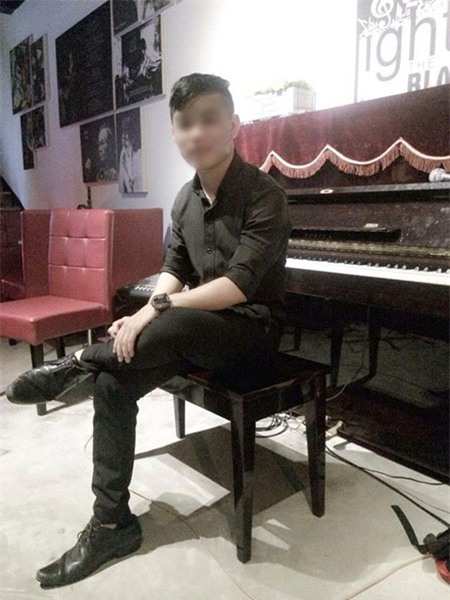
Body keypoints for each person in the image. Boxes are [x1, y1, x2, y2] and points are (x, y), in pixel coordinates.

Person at [6, 73, 291, 588]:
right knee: (114, 383)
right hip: (196, 329)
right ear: (175, 132)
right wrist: (148, 311)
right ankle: (111, 524)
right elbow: (174, 266)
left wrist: (155, 309)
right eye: (185, 123)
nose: (196, 132)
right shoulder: (185, 199)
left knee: (167, 319)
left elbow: (238, 286)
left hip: (252, 332)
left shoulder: (265, 194)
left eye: (208, 120)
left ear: (233, 124)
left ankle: (76, 362)